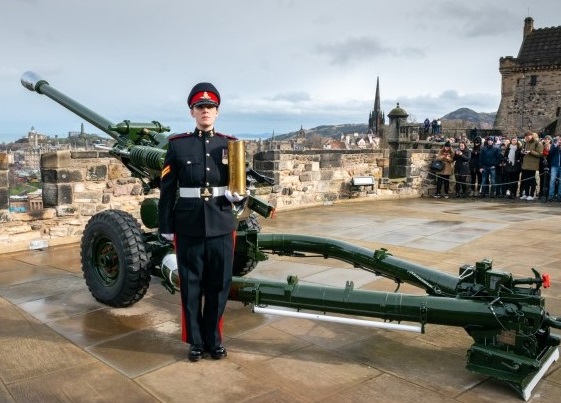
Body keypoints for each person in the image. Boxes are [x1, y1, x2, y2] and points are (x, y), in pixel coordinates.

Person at [158, 82, 245, 362]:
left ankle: (214, 340)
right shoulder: (178, 145)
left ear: (217, 112)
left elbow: (242, 187)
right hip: (189, 226)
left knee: (219, 287)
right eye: (200, 107)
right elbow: (167, 190)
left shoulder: (230, 145)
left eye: (210, 107)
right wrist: (166, 227)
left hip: (221, 224)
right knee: (192, 287)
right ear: (192, 112)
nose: (205, 111)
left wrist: (238, 199)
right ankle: (195, 342)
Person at [520, 131, 543, 201]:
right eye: (526, 137)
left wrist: (531, 152)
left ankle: (532, 194)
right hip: (525, 164)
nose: (527, 138)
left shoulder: (538, 143)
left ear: (531, 136)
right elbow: (524, 151)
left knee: (532, 180)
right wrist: (522, 151)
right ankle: (526, 194)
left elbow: (540, 154)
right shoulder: (525, 143)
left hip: (533, 165)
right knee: (526, 180)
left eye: (528, 136)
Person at [547, 137, 561, 201]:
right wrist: (556, 146)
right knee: (552, 181)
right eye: (559, 140)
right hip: (554, 166)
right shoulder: (554, 145)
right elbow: (550, 154)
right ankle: (551, 196)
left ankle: (559, 196)